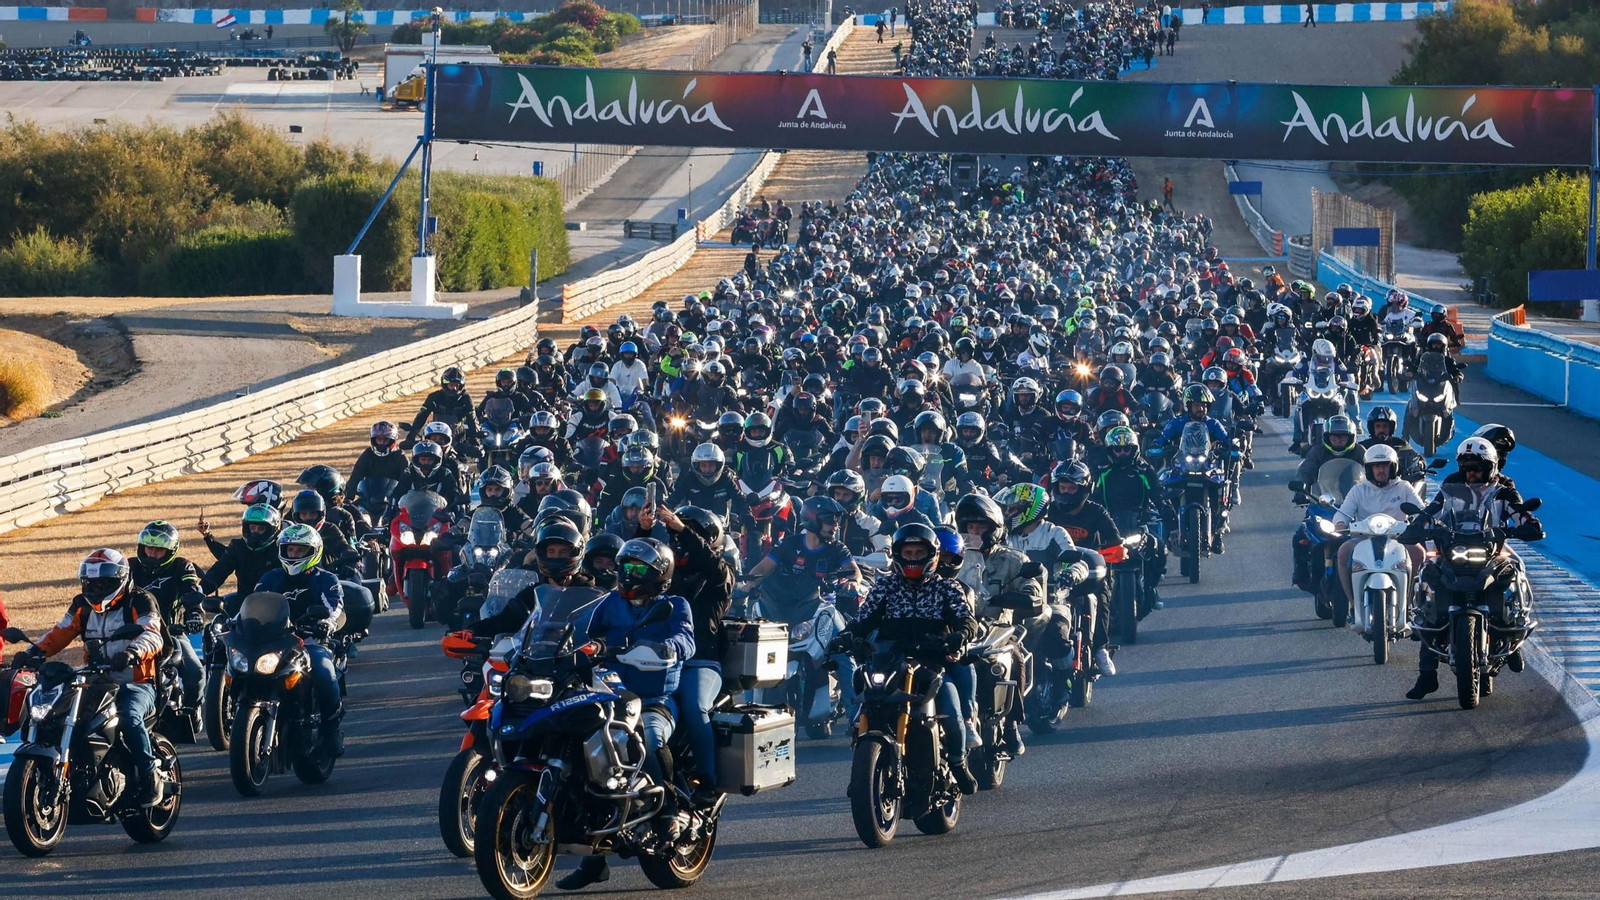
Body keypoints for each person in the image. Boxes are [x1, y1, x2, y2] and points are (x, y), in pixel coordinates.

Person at [559, 538, 694, 891]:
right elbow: (579, 631)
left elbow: (686, 640)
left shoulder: (674, 605)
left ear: (658, 574)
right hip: (609, 696)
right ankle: (593, 859)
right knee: (581, 754)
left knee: (649, 736)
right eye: (624, 568)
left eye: (635, 569)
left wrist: (666, 647)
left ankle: (666, 814)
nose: (626, 575)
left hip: (653, 698)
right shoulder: (609, 603)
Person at [834, 523, 981, 795]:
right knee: (861, 702)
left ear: (932, 555)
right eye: (908, 552)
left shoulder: (948, 588)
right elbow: (863, 620)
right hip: (889, 662)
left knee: (950, 709)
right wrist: (845, 636)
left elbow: (965, 619)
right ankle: (863, 768)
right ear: (898, 556)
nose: (913, 558)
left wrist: (960, 635)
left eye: (918, 552)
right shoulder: (885, 587)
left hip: (933, 663)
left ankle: (958, 763)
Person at [19, 550, 167, 804]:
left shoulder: (140, 600)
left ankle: (150, 776)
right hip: (96, 679)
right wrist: (33, 652)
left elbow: (153, 634)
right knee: (56, 712)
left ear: (120, 579)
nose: (95, 588)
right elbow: (62, 631)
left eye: (103, 583)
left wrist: (133, 652)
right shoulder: (81, 604)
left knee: (130, 718)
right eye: (90, 583)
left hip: (136, 681)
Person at [1399, 438, 1543, 699]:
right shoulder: (1450, 488)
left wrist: (1526, 523)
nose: (1471, 472)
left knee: (1514, 569)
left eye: (1476, 466)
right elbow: (1431, 510)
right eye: (1466, 466)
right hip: (1452, 550)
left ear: (1490, 466)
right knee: (1428, 585)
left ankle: (1514, 629)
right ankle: (1426, 675)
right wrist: (1417, 526)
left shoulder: (1503, 491)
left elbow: (1521, 513)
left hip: (1490, 552)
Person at [642, 504, 734, 800]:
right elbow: (636, 565)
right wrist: (644, 529)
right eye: (676, 537)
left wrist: (683, 527)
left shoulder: (720, 576)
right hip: (657, 662)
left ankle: (708, 781)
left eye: (688, 536)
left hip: (701, 662)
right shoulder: (666, 577)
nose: (680, 543)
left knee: (695, 706)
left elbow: (713, 565)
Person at [952, 493, 1042, 755]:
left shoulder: (1013, 560)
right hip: (959, 626)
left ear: (995, 529)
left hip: (996, 631)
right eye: (970, 526)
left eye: (981, 527)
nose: (975, 532)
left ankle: (1012, 723)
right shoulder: (951, 558)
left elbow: (1033, 591)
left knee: (1015, 656)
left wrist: (1020, 596)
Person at [255, 525, 347, 757]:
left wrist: (328, 623)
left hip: (311, 643)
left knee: (325, 675)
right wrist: (233, 620)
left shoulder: (326, 579)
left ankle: (331, 729)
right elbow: (253, 603)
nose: (294, 555)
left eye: (300, 551)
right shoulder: (270, 577)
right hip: (272, 644)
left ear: (314, 551)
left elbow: (335, 607)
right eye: (290, 550)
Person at [1333, 444, 1424, 612]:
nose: (1380, 470)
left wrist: (1421, 521)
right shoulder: (1358, 490)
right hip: (1364, 538)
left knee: (1419, 553)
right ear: (1369, 469)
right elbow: (1343, 513)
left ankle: (1409, 600)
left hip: (1398, 538)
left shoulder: (1403, 487)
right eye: (1376, 466)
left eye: (1384, 466)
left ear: (1393, 468)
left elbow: (1420, 509)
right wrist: (1340, 523)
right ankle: (1353, 603)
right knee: (1343, 553)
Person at [129, 521, 206, 718]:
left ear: (170, 551)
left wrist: (194, 614)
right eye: (149, 548)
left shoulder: (182, 566)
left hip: (171, 633)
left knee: (196, 673)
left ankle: (191, 710)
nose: (152, 554)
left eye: (158, 550)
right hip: (132, 634)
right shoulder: (129, 566)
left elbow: (192, 591)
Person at [200, 503, 282, 600]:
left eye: (261, 529)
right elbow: (219, 570)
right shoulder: (238, 547)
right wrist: (199, 591)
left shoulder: (281, 550)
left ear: (272, 530)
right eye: (252, 528)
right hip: (244, 603)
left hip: (275, 604)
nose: (255, 532)